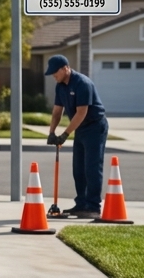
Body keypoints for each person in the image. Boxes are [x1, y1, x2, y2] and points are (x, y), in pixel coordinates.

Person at [44, 54, 108, 219]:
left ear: (65, 68)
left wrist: (65, 134)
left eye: (55, 72)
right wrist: (52, 132)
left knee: (92, 167)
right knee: (78, 168)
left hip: (94, 127)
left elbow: (81, 113)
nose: (53, 75)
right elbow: (57, 111)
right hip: (81, 128)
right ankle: (81, 204)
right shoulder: (60, 86)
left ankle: (93, 207)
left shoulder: (82, 83)